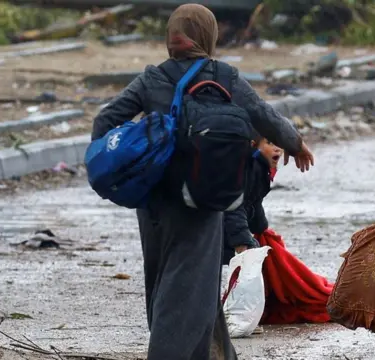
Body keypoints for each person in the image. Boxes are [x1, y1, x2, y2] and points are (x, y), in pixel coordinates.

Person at [90, 4, 314, 360]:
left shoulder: (152, 78)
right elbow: (264, 115)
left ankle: (214, 354)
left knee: (170, 281)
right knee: (188, 286)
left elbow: (105, 122)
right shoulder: (225, 77)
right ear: (208, 36)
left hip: (153, 201)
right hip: (202, 198)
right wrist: (295, 143)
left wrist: (126, 157)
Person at [222, 135, 282, 263]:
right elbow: (234, 206)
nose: (277, 149)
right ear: (253, 145)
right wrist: (242, 242)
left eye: (279, 143)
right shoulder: (247, 167)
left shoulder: (262, 168)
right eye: (270, 143)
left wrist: (261, 228)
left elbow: (254, 201)